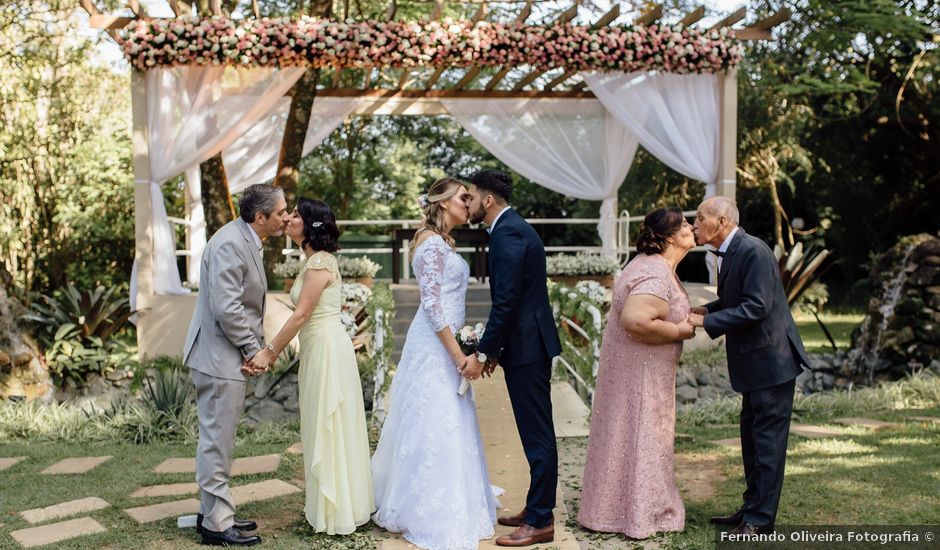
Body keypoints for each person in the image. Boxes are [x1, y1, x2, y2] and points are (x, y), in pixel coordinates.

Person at [371, 177, 500, 550]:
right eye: (463, 197)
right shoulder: (430, 246)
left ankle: (456, 493)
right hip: (436, 346)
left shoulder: (444, 243)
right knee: (434, 418)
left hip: (447, 341)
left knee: (450, 418)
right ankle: (427, 505)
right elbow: (431, 306)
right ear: (442, 203)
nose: (469, 203)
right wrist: (459, 353)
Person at [247, 198, 374, 535]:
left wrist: (269, 352)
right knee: (320, 423)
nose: (288, 217)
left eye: (296, 214)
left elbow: (301, 314)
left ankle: (337, 512)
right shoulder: (311, 261)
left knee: (328, 424)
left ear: (311, 225)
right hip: (317, 347)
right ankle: (331, 507)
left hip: (328, 349)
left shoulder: (320, 262)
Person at [688, 196, 810, 535]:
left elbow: (756, 307)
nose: (694, 224)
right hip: (755, 365)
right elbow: (733, 302)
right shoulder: (732, 252)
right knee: (752, 441)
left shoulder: (753, 251)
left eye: (700, 217)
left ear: (722, 221)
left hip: (772, 364)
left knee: (767, 443)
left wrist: (703, 324)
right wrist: (704, 311)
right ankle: (750, 508)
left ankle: (760, 519)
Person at [577, 207, 697, 539]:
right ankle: (643, 513)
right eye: (685, 224)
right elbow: (636, 320)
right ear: (670, 236)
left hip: (637, 371)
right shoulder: (655, 273)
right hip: (641, 375)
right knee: (643, 435)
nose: (692, 227)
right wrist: (680, 331)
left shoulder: (651, 266)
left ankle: (611, 511)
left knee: (625, 435)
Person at [182, 183, 289, 546]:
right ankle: (215, 524)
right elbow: (228, 308)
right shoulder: (230, 243)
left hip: (222, 355)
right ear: (261, 217)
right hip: (217, 357)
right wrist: (251, 349)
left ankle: (215, 511)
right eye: (280, 212)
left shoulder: (243, 238)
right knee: (217, 440)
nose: (286, 217)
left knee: (220, 438)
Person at [462, 169, 562, 547]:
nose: (467, 204)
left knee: (537, 433)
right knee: (532, 430)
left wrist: (486, 349)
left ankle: (540, 520)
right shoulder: (510, 229)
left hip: (529, 346)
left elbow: (506, 301)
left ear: (488, 200)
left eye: (470, 198)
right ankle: (537, 507)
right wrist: (496, 349)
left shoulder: (508, 232)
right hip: (524, 344)